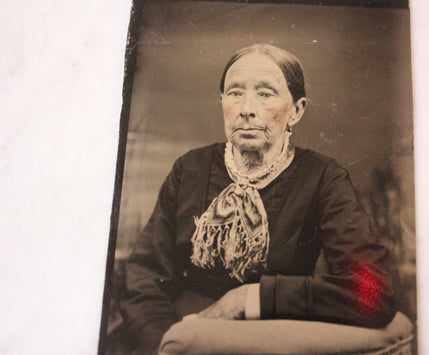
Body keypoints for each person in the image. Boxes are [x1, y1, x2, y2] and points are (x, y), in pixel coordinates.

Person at [120, 44, 400, 354]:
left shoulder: (323, 177)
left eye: (265, 94)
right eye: (235, 93)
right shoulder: (191, 168)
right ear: (222, 102)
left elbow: (374, 291)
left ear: (297, 110)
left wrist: (249, 299)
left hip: (271, 343)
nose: (246, 109)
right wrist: (166, 342)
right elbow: (144, 279)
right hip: (183, 336)